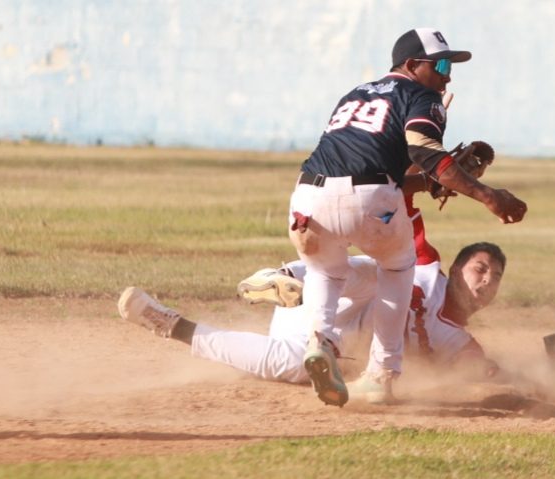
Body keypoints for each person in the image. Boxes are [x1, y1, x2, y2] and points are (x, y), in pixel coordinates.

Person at [287, 27, 526, 407]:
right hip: (367, 197)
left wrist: (431, 183)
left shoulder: (355, 93)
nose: (448, 74)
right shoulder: (421, 95)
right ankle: (380, 375)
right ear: (413, 65)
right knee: (399, 270)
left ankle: (321, 341)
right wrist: (488, 196)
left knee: (326, 271)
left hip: (306, 197)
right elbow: (427, 154)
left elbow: (377, 168)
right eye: (442, 64)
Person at [117, 198, 506, 404]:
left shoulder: (457, 340)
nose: (487, 280)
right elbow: (402, 200)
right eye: (480, 268)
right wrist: (440, 176)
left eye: (495, 277)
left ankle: (170, 324)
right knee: (384, 275)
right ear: (456, 269)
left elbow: (479, 370)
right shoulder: (428, 265)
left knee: (295, 365)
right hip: (322, 295)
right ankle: (283, 277)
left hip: (320, 341)